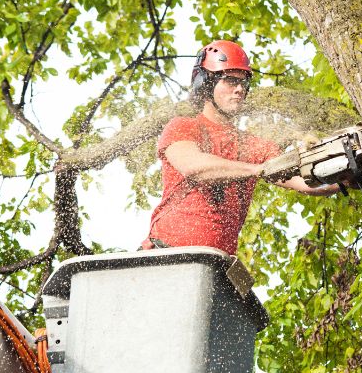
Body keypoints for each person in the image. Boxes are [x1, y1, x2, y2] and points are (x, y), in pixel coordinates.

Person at [141, 40, 339, 254]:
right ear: (206, 83)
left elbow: (306, 183)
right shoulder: (184, 126)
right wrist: (255, 169)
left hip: (216, 264)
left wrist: (344, 178)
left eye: (243, 83)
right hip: (166, 254)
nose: (239, 90)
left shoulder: (254, 146)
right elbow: (193, 166)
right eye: (230, 81)